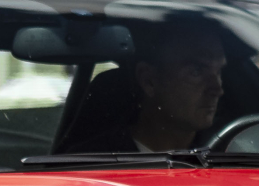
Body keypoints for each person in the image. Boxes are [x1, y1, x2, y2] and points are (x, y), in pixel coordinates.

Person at [64, 21, 227, 154]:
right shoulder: (88, 165)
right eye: (196, 72)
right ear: (149, 80)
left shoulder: (229, 155)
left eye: (219, 72)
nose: (217, 89)